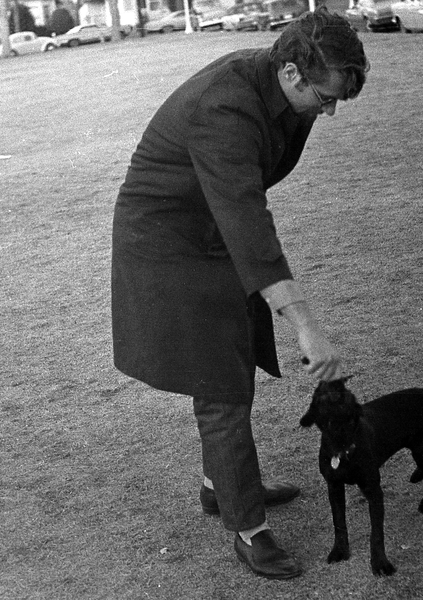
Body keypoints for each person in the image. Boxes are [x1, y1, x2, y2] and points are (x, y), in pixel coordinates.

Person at [111, 8, 368, 579]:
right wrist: (306, 326)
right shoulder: (224, 108)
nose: (328, 112)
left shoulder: (286, 93)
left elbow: (244, 205)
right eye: (325, 98)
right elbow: (249, 221)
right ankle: (248, 530)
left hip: (215, 227)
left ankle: (220, 485)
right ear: (292, 73)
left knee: (237, 357)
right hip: (166, 241)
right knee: (220, 385)